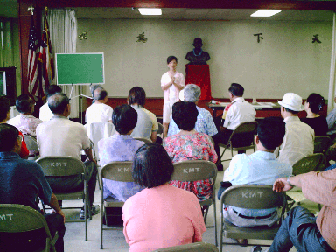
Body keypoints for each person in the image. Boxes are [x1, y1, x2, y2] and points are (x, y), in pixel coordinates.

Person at [123, 144, 206, 252]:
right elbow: (197, 240)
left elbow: (130, 241)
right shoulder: (190, 198)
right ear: (169, 167)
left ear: (137, 173)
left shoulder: (129, 204)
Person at [0, 123, 66, 252]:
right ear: (17, 143)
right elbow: (49, 198)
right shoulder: (31, 167)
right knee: (57, 219)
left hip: (1, 234)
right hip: (29, 232)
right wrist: (59, 211)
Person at [220, 117, 292, 230]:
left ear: (256, 139)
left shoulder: (239, 160)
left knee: (224, 190)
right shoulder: (286, 169)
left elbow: (226, 181)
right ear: (281, 142)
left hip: (238, 217)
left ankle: (240, 235)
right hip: (269, 218)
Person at [36, 93, 97, 219]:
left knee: (53, 163)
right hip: (73, 182)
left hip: (47, 183)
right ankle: (88, 207)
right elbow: (88, 149)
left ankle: (56, 206)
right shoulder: (78, 127)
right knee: (92, 165)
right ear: (68, 108)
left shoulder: (40, 127)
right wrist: (92, 160)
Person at [265, 169, 336, 252]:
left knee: (295, 213)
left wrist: (289, 180)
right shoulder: (284, 166)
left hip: (325, 246)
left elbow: (315, 181)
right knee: (311, 219)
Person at [163, 101, 217, 201]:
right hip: (202, 191)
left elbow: (165, 168)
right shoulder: (206, 139)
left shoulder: (169, 142)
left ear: (175, 120)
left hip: (177, 190)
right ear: (195, 117)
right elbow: (213, 161)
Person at [98, 104, 145, 201]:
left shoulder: (102, 144)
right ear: (134, 125)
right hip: (137, 193)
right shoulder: (141, 146)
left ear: (114, 122)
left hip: (111, 191)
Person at [278, 93, 315, 166]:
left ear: (283, 108)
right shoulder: (309, 128)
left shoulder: (280, 128)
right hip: (306, 171)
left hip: (285, 173)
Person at [218, 83, 256, 152]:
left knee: (214, 137)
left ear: (231, 95)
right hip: (248, 140)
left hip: (234, 141)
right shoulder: (251, 106)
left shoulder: (230, 107)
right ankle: (241, 156)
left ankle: (217, 161)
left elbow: (223, 127)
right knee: (242, 131)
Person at [161, 56, 185, 138]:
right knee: (166, 121)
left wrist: (174, 83)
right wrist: (171, 81)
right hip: (167, 100)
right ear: (168, 64)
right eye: (171, 62)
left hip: (177, 100)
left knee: (177, 120)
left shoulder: (180, 75)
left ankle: (176, 137)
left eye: (174, 62)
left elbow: (182, 87)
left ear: (177, 64)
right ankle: (165, 137)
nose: (173, 64)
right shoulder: (165, 75)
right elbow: (163, 87)